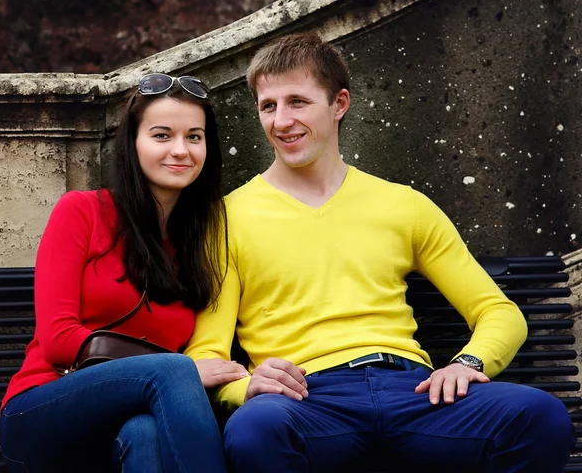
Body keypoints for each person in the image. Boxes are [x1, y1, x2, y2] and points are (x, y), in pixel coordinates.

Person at [185, 32, 575, 473]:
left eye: (298, 101)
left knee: (541, 417)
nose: (281, 120)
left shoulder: (403, 205)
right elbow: (208, 357)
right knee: (254, 430)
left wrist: (467, 363)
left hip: (415, 394)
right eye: (268, 106)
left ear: (339, 104)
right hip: (306, 401)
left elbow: (499, 312)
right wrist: (250, 386)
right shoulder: (227, 218)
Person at [0, 73, 248, 473]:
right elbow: (59, 341)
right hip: (43, 409)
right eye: (162, 135)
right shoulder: (82, 211)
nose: (180, 151)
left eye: (194, 137)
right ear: (133, 142)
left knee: (145, 434)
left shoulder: (201, 241)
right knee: (174, 370)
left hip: (133, 419)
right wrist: (175, 369)